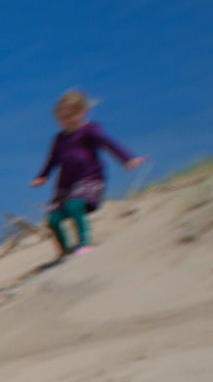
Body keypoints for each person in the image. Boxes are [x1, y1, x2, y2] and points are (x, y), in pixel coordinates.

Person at [33, 90, 143, 257]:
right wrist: (43, 176)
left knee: (74, 205)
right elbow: (52, 160)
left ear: (82, 113)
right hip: (65, 186)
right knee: (53, 220)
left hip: (90, 181)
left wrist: (127, 159)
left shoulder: (89, 130)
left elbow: (109, 144)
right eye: (61, 118)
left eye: (70, 116)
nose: (66, 121)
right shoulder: (59, 139)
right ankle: (65, 252)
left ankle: (85, 242)